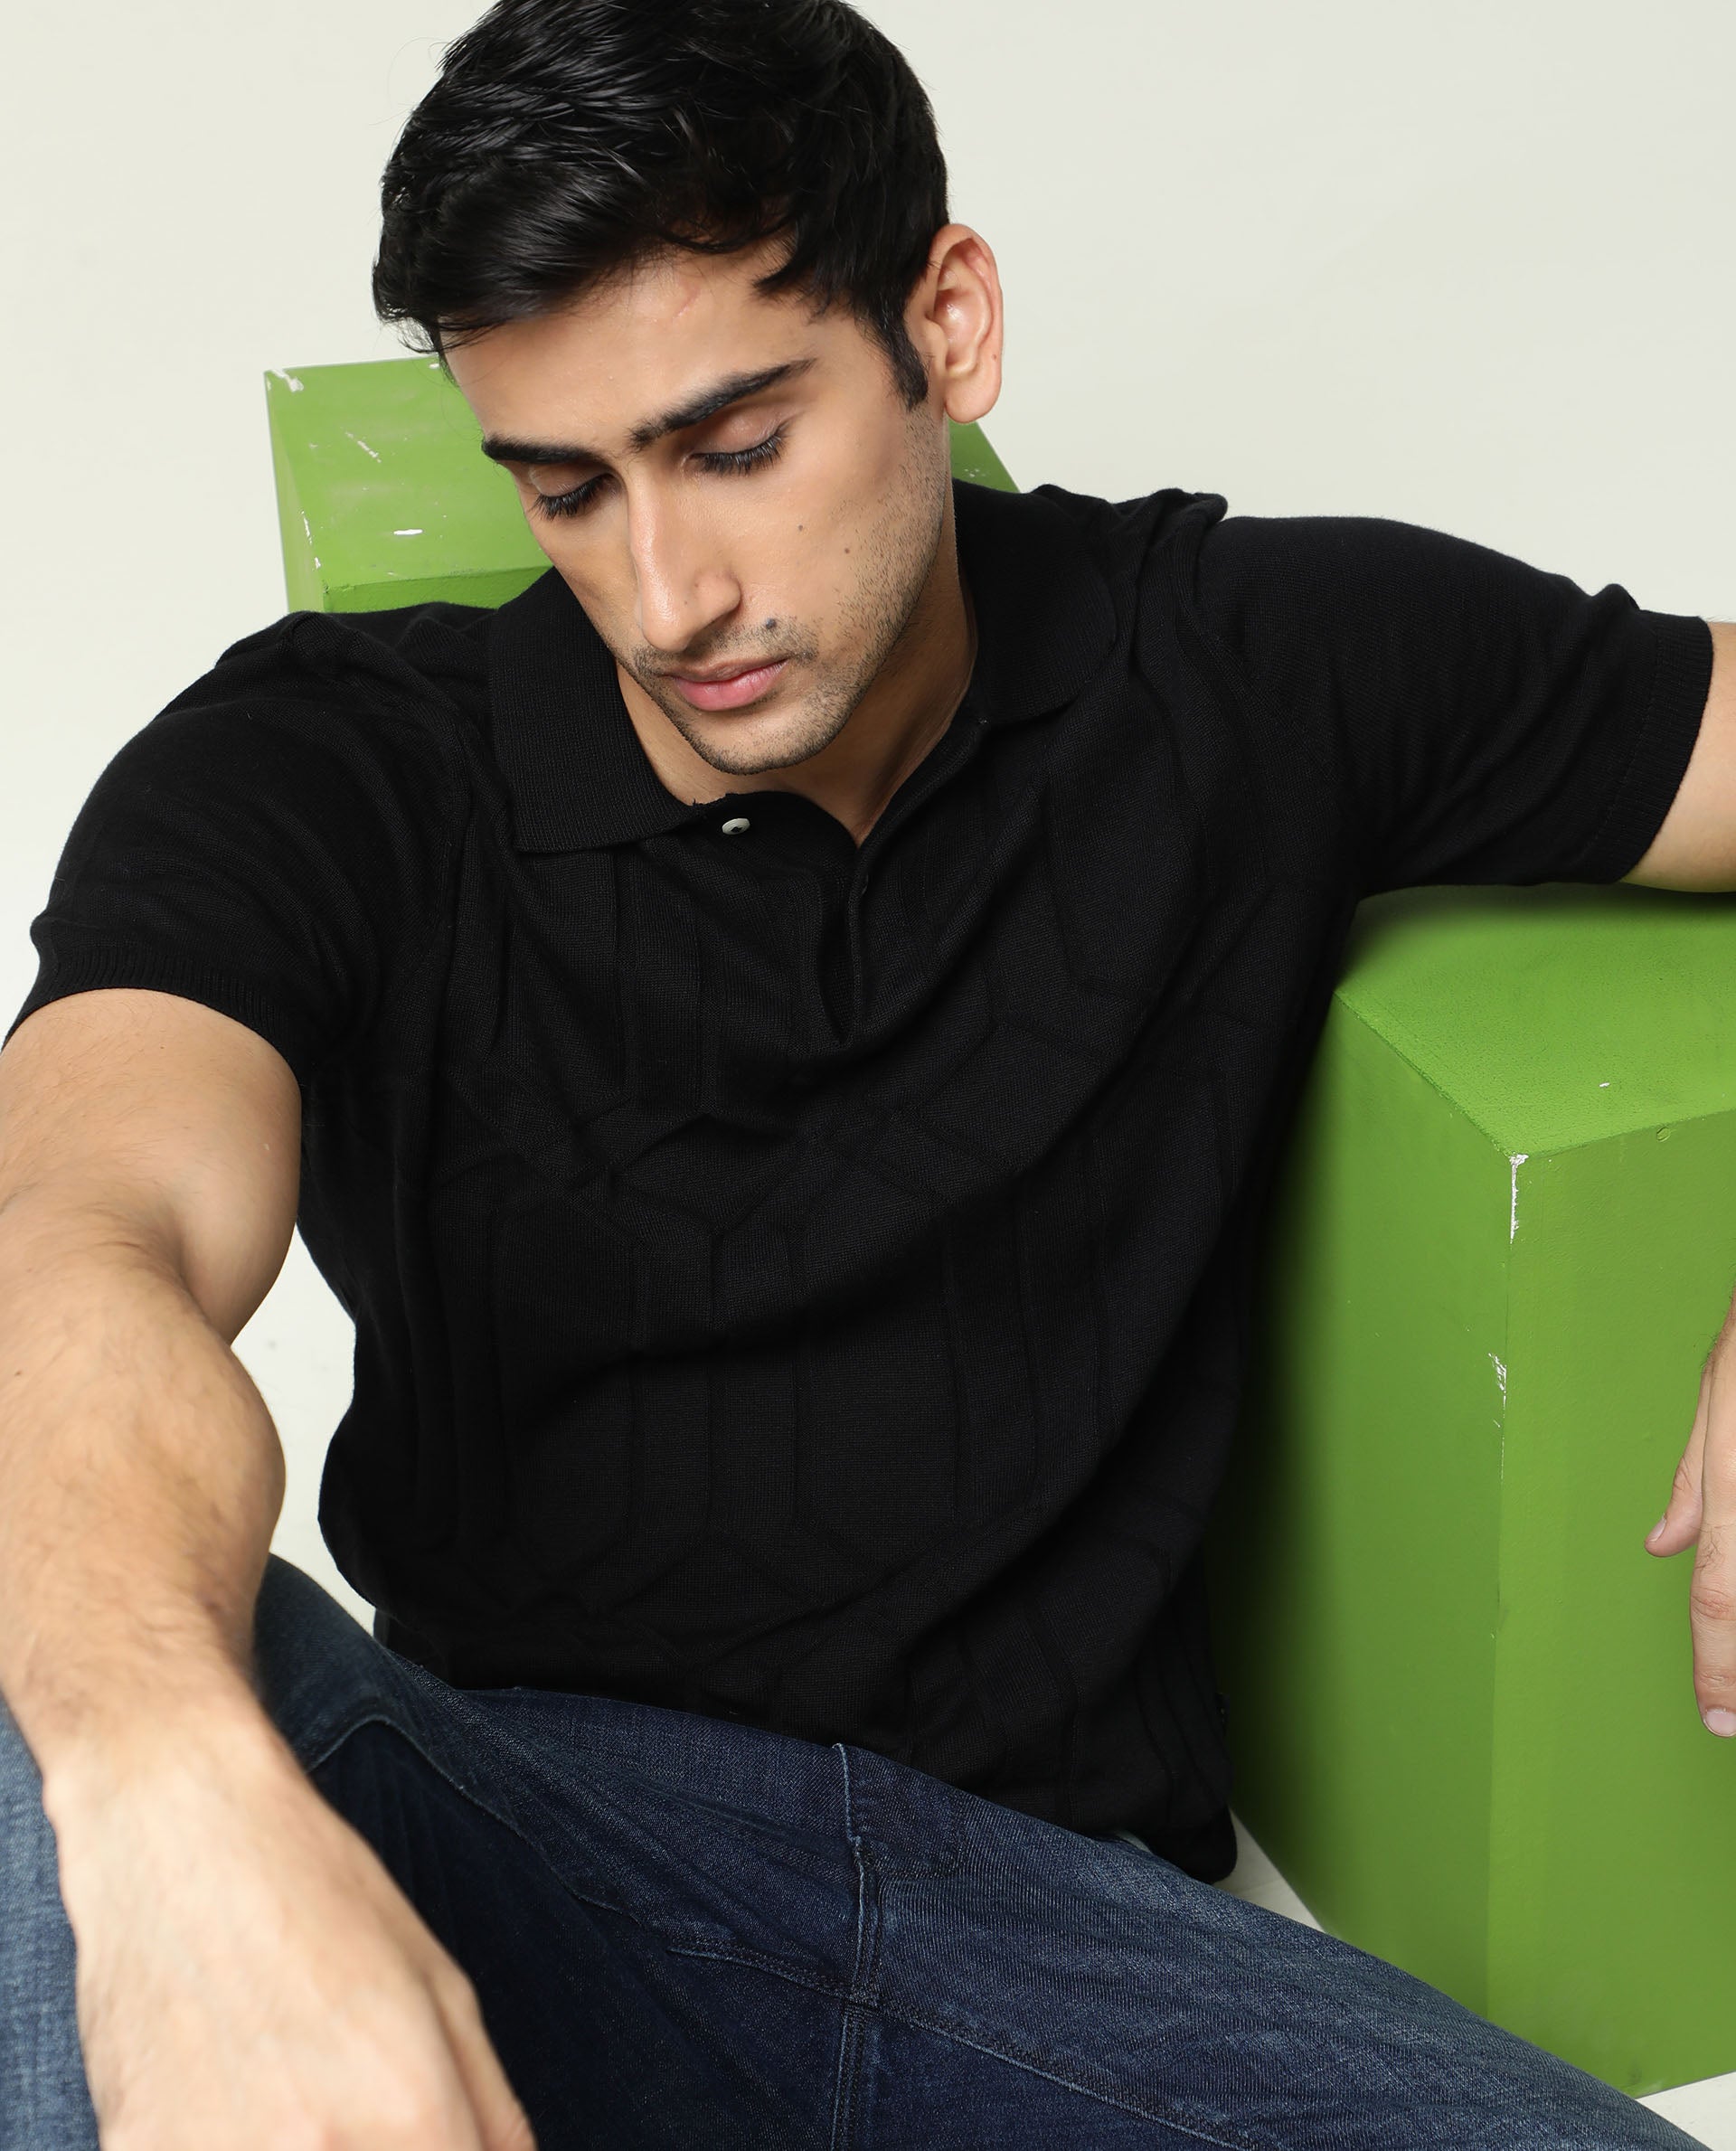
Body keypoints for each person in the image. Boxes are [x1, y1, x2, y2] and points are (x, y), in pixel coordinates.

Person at [0, 1, 1731, 2144]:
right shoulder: (323, 771)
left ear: (948, 322)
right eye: (567, 486)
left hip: (1065, 1940)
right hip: (537, 1841)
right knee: (66, 1657)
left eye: (737, 443)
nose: (666, 595)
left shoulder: (1252, 660)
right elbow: (73, 1242)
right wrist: (171, 1790)